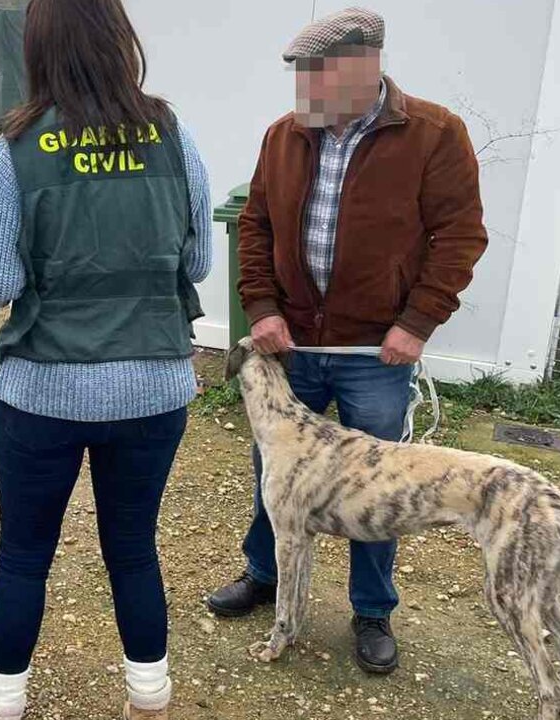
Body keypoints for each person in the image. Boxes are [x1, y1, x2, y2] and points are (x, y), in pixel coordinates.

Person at [205, 7, 488, 676]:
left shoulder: (435, 134)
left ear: (363, 67)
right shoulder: (285, 135)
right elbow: (255, 229)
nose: (304, 94)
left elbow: (460, 236)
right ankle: (264, 575)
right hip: (292, 347)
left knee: (379, 490)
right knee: (272, 472)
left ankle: (371, 610)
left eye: (314, 77)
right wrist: (261, 308)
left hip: (374, 356)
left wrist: (417, 322)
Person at [0, 0, 213, 717]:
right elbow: (196, 260)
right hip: (154, 386)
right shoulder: (171, 133)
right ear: (118, 38)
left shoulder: (19, 145)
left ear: (38, 48)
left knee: (23, 555)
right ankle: (149, 695)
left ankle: (2, 704)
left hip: (43, 390)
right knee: (133, 550)